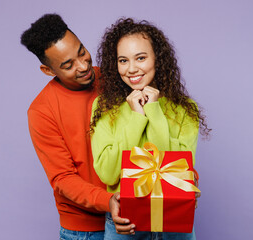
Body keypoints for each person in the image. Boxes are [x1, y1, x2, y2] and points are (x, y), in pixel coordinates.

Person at [90, 18, 210, 239]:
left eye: (141, 58)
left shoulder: (184, 109)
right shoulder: (104, 107)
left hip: (174, 222)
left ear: (158, 59)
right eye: (123, 60)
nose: (132, 68)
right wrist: (137, 116)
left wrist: (153, 110)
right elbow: (108, 173)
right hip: (125, 224)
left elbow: (173, 169)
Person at [20, 14, 134, 239]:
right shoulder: (41, 111)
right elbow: (63, 178)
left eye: (81, 52)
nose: (83, 66)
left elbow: (153, 131)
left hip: (134, 217)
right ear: (49, 71)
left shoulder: (116, 78)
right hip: (84, 231)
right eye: (68, 65)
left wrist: (180, 177)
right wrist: (109, 201)